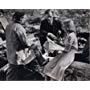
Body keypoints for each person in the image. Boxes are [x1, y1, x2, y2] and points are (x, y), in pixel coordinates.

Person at [5, 12, 30, 80]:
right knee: (12, 71)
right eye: (24, 18)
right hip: (17, 52)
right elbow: (24, 42)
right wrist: (29, 46)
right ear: (21, 18)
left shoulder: (9, 26)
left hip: (10, 50)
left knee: (13, 67)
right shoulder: (19, 27)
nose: (25, 19)